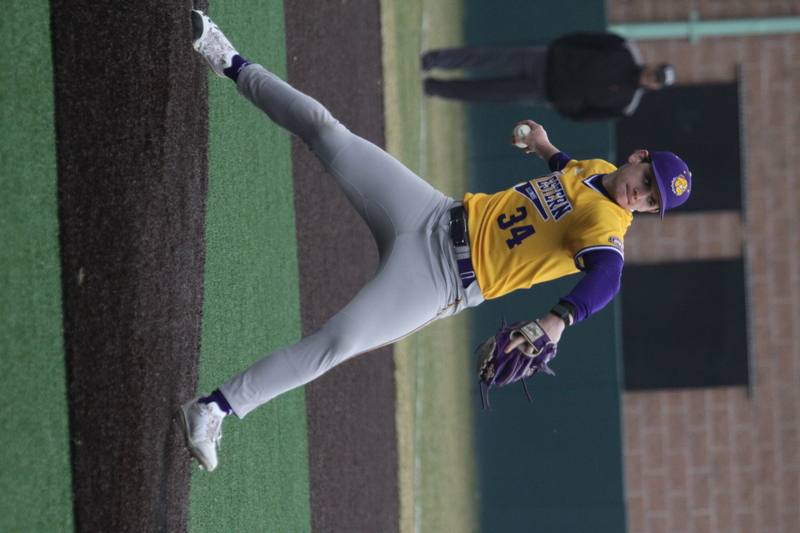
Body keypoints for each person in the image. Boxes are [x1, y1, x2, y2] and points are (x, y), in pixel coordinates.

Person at [177, 11, 692, 472]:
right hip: (430, 211)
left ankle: (214, 408)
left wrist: (558, 321)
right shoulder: (599, 171)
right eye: (648, 181)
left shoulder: (609, 230)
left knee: (338, 341)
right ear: (639, 156)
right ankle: (228, 58)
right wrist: (544, 147)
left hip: (439, 279)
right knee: (328, 132)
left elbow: (606, 275)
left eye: (652, 202)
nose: (642, 195)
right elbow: (572, 175)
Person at [422, 32, 676, 122]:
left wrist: (562, 103)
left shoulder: (626, 105)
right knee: (485, 58)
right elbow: (587, 39)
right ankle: (432, 60)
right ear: (653, 65)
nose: (651, 76)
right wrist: (559, 48)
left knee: (485, 92)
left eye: (656, 80)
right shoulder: (624, 48)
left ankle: (433, 88)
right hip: (546, 59)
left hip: (544, 93)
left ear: (654, 87)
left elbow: (586, 115)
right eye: (656, 72)